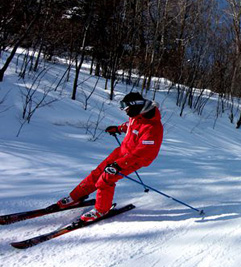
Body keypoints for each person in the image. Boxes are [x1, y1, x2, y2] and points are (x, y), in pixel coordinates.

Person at [57, 92, 164, 222]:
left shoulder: (152, 127)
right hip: (123, 151)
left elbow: (142, 152)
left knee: (107, 177)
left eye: (126, 108)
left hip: (137, 158)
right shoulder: (137, 115)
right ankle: (76, 197)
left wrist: (119, 165)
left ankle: (102, 209)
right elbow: (131, 125)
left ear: (136, 106)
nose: (125, 111)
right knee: (98, 172)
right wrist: (119, 128)